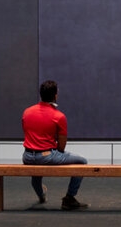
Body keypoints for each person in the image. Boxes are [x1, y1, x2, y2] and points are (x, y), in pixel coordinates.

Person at [21, 79, 87, 209]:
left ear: (41, 94)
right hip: (46, 156)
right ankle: (69, 197)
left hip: (27, 156)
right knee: (82, 162)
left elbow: (27, 133)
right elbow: (62, 146)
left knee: (36, 166)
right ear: (55, 95)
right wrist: (52, 151)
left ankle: (41, 195)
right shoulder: (59, 116)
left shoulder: (27, 112)